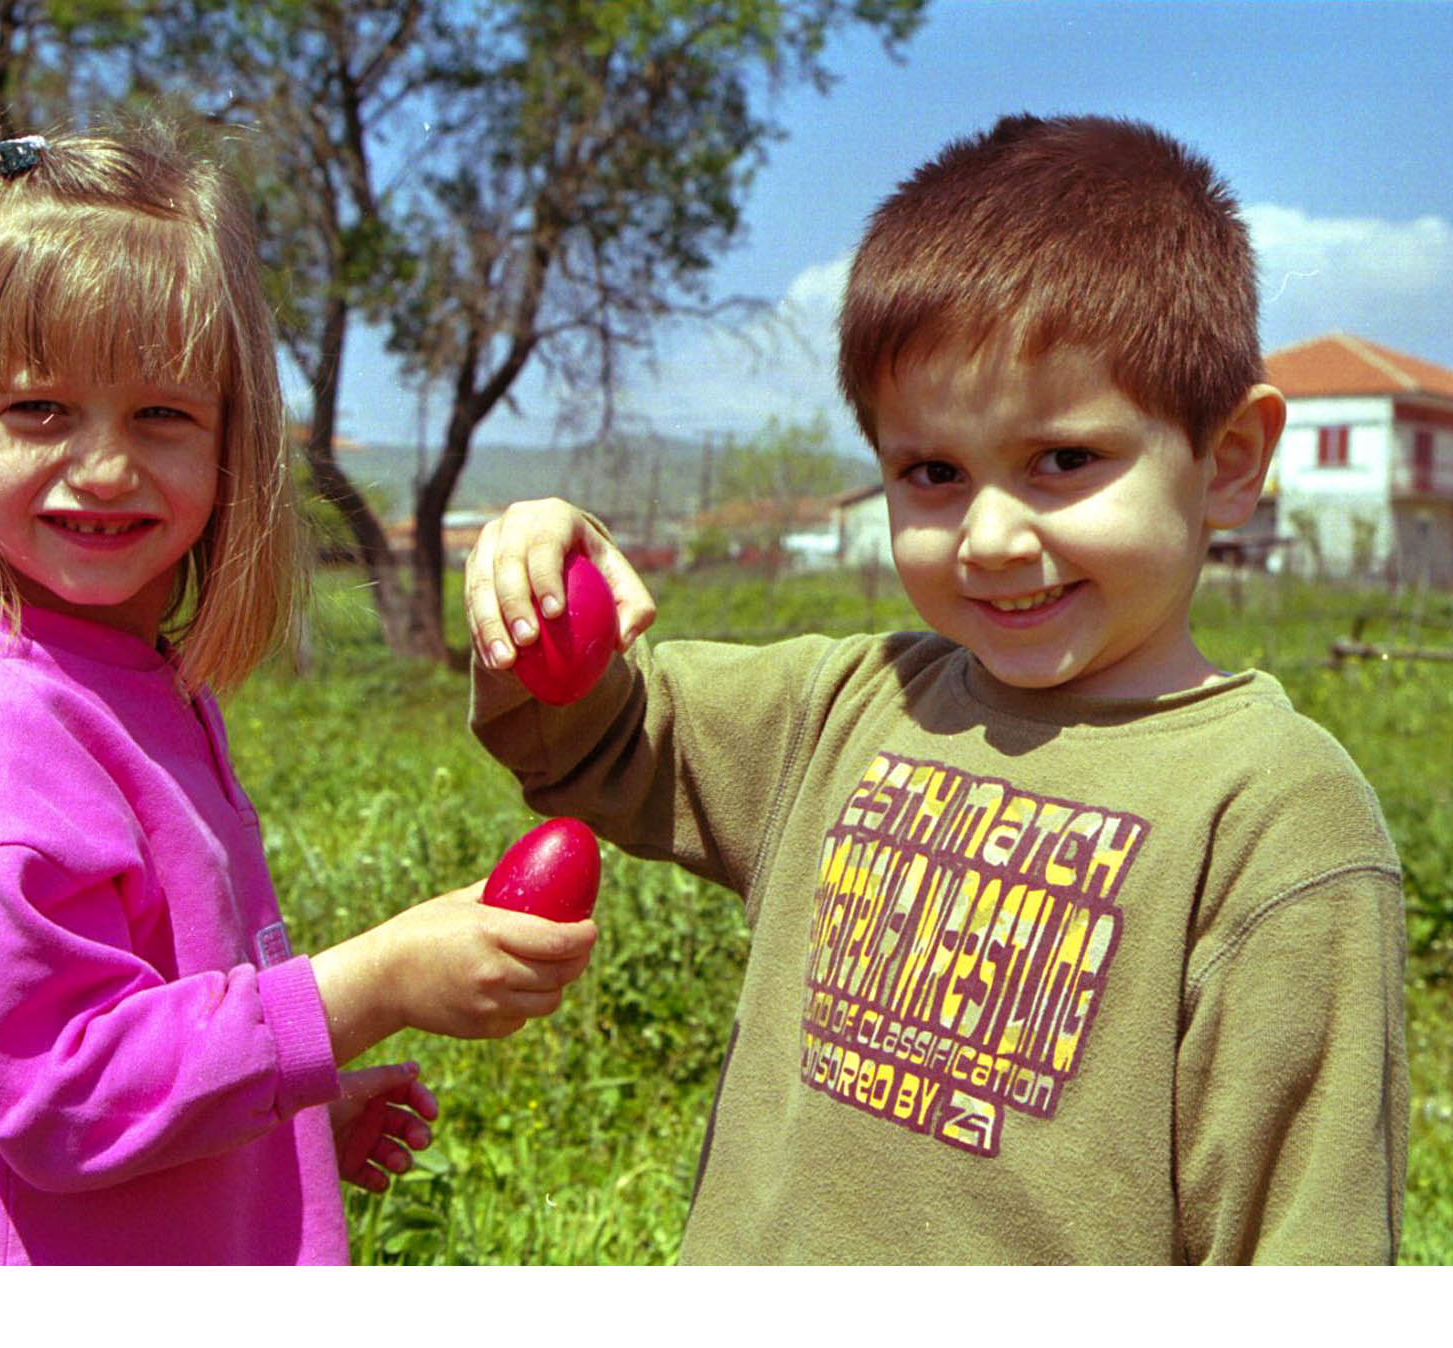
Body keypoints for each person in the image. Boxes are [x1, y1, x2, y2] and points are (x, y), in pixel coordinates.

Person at [463, 114, 1407, 1263]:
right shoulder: (844, 708)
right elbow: (595, 737)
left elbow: (1303, 1250)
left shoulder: (1269, 814)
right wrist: (540, 580)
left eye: (1063, 459)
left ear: (1226, 460)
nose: (993, 538)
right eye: (933, 473)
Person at [0, 127, 596, 1266]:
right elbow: (60, 1087)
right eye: (38, 410)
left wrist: (281, 1122)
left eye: (161, 414)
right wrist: (366, 985)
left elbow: (143, 1015)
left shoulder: (134, 682)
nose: (106, 465)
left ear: (232, 446)